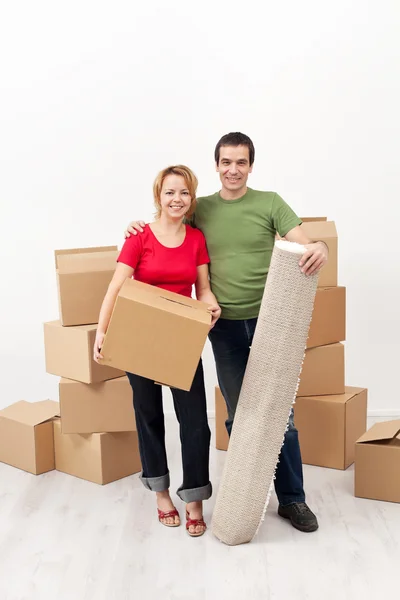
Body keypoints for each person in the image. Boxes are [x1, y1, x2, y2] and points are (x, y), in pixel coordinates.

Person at [125, 133, 329, 533]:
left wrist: (320, 245)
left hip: (272, 322)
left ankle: (293, 500)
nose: (233, 169)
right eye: (226, 162)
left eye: (241, 162)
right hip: (225, 328)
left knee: (280, 415)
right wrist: (135, 225)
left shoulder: (269, 202)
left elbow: (305, 244)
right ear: (216, 166)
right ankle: (243, 495)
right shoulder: (201, 209)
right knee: (242, 416)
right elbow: (167, 224)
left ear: (251, 166)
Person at [94, 165, 221, 537]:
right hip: (138, 340)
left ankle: (194, 498)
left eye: (183, 193)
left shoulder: (196, 239)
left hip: (181, 340)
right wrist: (102, 332)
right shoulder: (139, 238)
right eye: (169, 192)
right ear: (158, 196)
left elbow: (204, 288)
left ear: (191, 198)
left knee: (195, 421)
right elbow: (115, 288)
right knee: (148, 415)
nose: (176, 199)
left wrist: (211, 305)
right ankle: (161, 493)